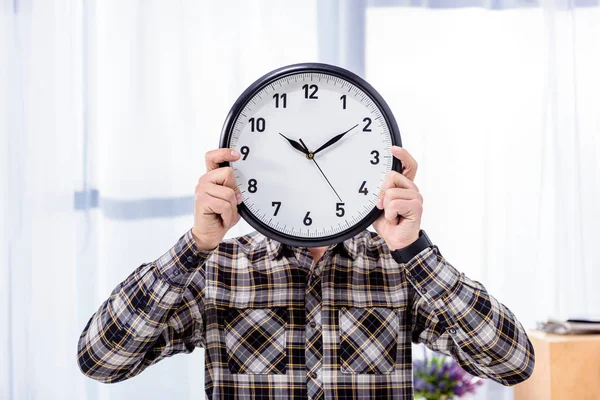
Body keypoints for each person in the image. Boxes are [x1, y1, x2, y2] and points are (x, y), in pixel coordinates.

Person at [77, 146, 534, 399]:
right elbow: (101, 359)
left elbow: (513, 363)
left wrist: (412, 249)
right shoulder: (219, 269)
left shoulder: (397, 270)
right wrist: (195, 245)